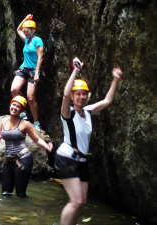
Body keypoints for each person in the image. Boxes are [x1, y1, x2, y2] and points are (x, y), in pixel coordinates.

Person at [54, 58, 123, 225]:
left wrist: (115, 79)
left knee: (82, 202)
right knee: (76, 201)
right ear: (72, 96)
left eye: (84, 94)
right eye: (78, 94)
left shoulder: (88, 111)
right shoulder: (68, 113)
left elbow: (107, 101)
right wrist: (75, 71)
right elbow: (64, 94)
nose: (81, 97)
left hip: (82, 161)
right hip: (66, 158)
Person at [0, 96, 53, 197]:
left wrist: (46, 146)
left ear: (22, 110)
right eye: (13, 105)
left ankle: (25, 211)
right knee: (6, 193)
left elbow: (36, 139)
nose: (14, 108)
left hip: (23, 158)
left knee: (20, 194)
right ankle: (7, 213)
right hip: (9, 160)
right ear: (10, 105)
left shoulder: (25, 124)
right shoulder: (3, 121)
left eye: (18, 106)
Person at [10, 14, 44, 132]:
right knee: (14, 90)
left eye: (28, 31)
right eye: (25, 31)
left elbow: (40, 57)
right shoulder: (26, 40)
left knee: (30, 97)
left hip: (33, 71)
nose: (26, 33)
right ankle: (23, 113)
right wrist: (26, 18)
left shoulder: (37, 40)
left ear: (33, 30)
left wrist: (37, 74)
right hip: (23, 69)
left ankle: (36, 122)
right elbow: (18, 29)